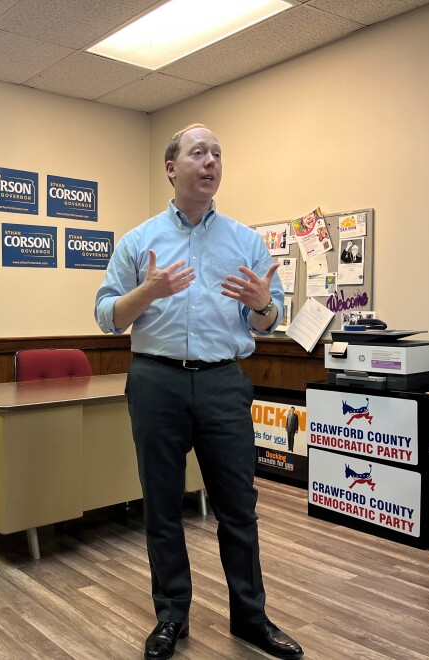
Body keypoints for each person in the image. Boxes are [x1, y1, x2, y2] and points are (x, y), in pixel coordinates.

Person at [94, 124, 303, 660]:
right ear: (172, 168)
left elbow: (269, 322)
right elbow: (106, 318)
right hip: (156, 379)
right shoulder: (139, 241)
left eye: (217, 154)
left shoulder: (246, 242)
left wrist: (263, 305)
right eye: (198, 153)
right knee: (162, 506)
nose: (210, 162)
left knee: (239, 507)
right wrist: (150, 290)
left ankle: (251, 619)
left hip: (221, 381)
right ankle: (171, 618)